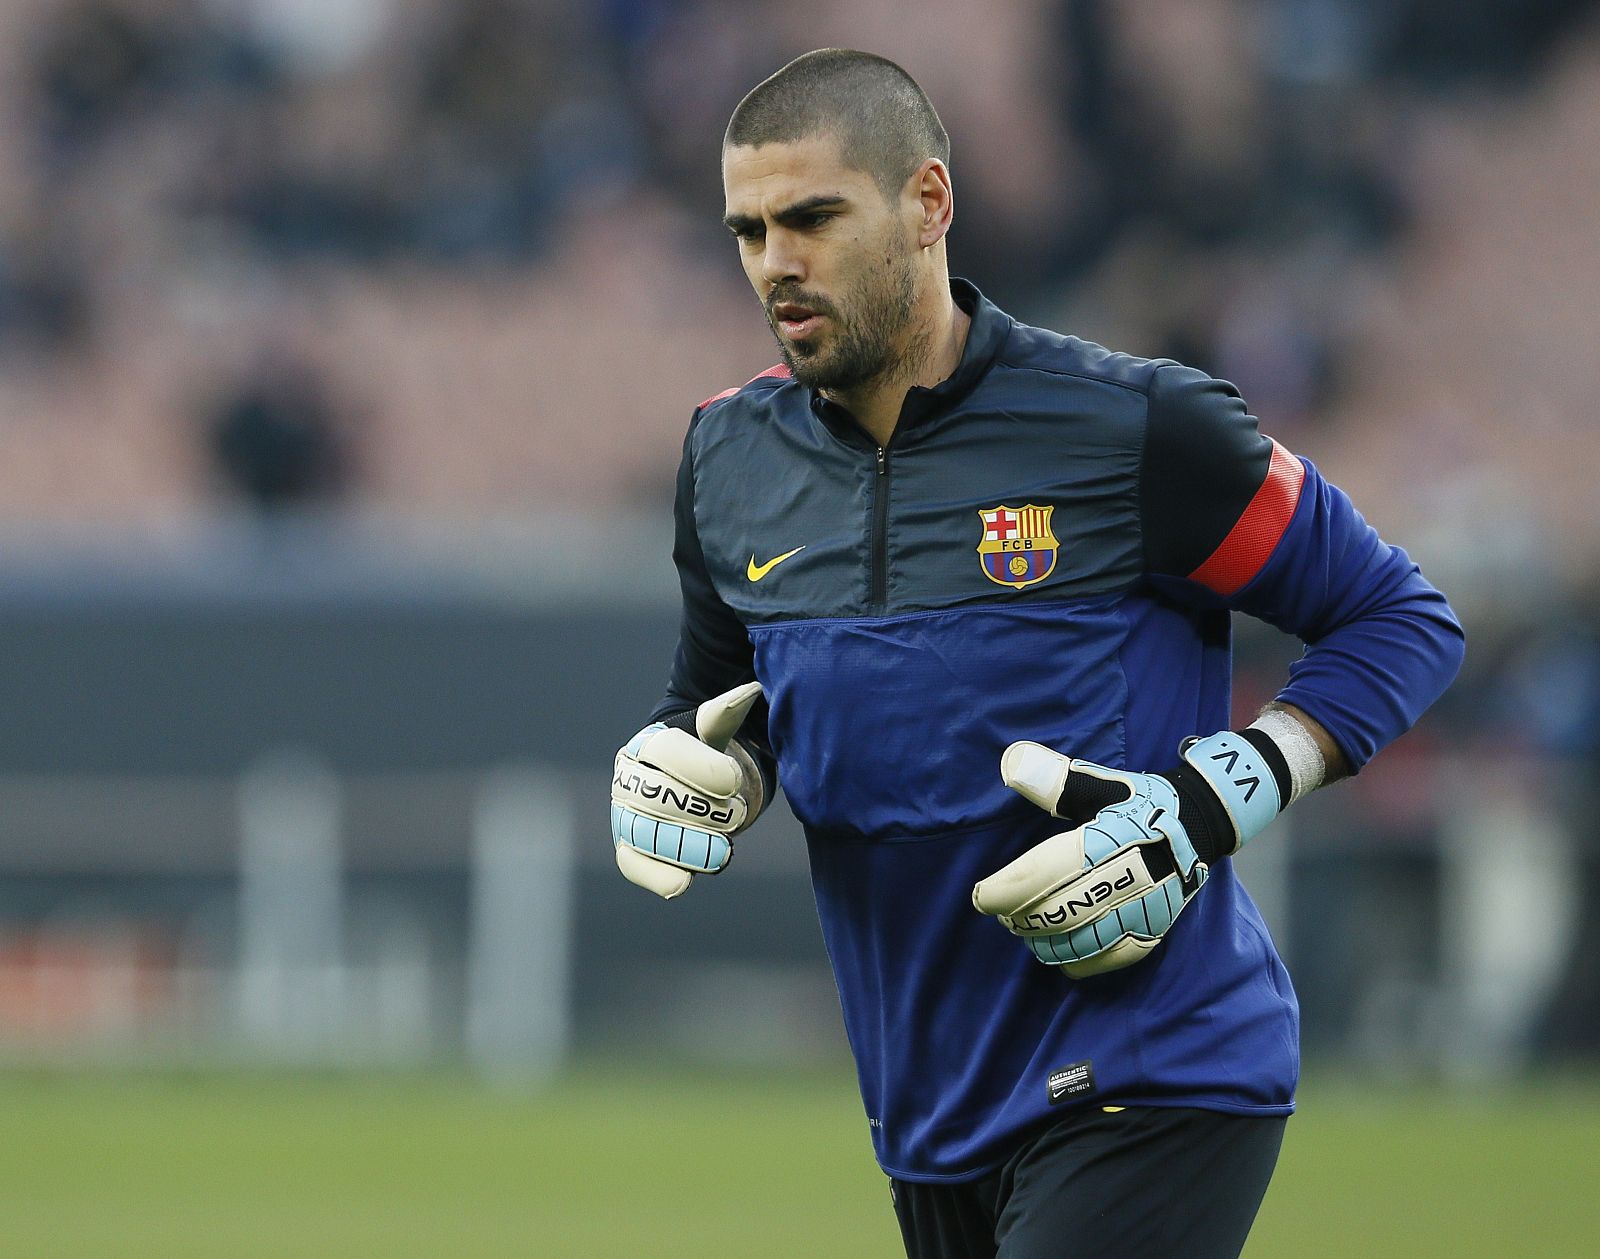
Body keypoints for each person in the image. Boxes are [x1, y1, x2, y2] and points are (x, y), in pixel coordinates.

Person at [609, 48, 1464, 1259]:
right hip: (927, 1108)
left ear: (928, 203)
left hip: (1155, 1068)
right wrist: (681, 767)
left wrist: (1208, 804)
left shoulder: (1136, 426)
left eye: (812, 218)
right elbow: (716, 701)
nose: (774, 262)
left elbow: (1398, 615)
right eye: (748, 230)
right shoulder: (725, 459)